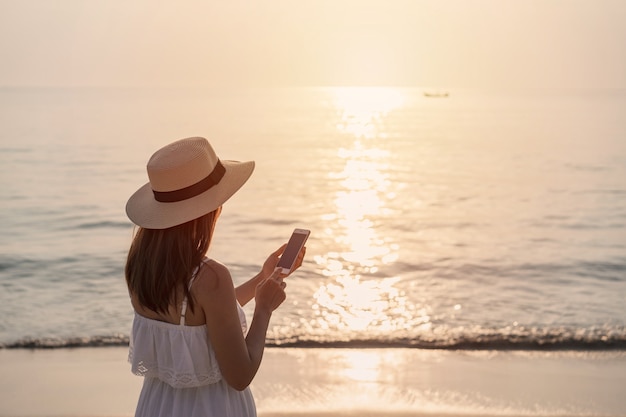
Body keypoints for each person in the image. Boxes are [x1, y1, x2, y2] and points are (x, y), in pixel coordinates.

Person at [124, 136, 305, 417]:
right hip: (211, 407)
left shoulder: (140, 266)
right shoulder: (212, 276)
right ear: (209, 211)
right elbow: (240, 375)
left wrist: (262, 278)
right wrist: (264, 309)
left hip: (157, 406)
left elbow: (202, 317)